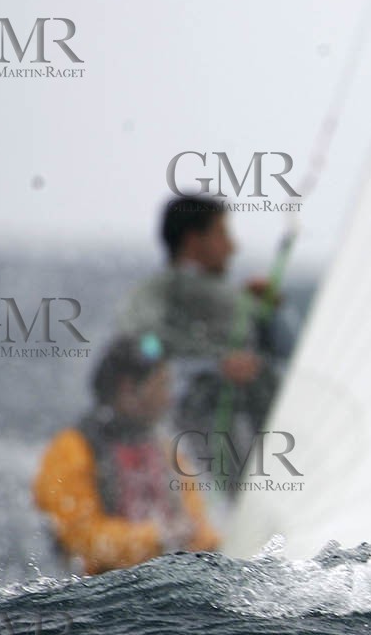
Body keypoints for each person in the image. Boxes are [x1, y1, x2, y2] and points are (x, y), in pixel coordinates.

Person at [33, 333, 220, 575]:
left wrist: (211, 546)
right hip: (100, 593)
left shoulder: (163, 448)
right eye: (161, 385)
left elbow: (195, 523)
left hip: (168, 583)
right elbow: (81, 540)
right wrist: (157, 538)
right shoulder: (70, 450)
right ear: (128, 389)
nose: (169, 398)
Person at [115, 196, 284, 451]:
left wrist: (268, 311)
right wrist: (213, 364)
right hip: (194, 445)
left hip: (259, 444)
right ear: (194, 241)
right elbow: (141, 344)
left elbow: (280, 356)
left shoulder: (236, 297)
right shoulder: (161, 291)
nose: (233, 247)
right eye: (222, 234)